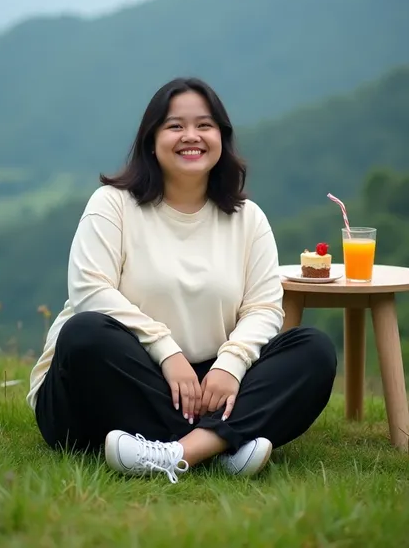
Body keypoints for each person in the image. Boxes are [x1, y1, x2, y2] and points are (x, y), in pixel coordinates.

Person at [27, 77, 337, 484]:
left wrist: (230, 365)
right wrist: (166, 351)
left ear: (221, 138)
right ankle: (225, 443)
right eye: (175, 126)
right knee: (84, 332)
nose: (191, 136)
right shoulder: (112, 205)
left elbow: (264, 308)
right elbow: (89, 291)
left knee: (312, 349)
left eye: (204, 125)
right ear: (151, 139)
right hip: (116, 379)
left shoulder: (248, 218)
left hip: (209, 385)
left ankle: (178, 452)